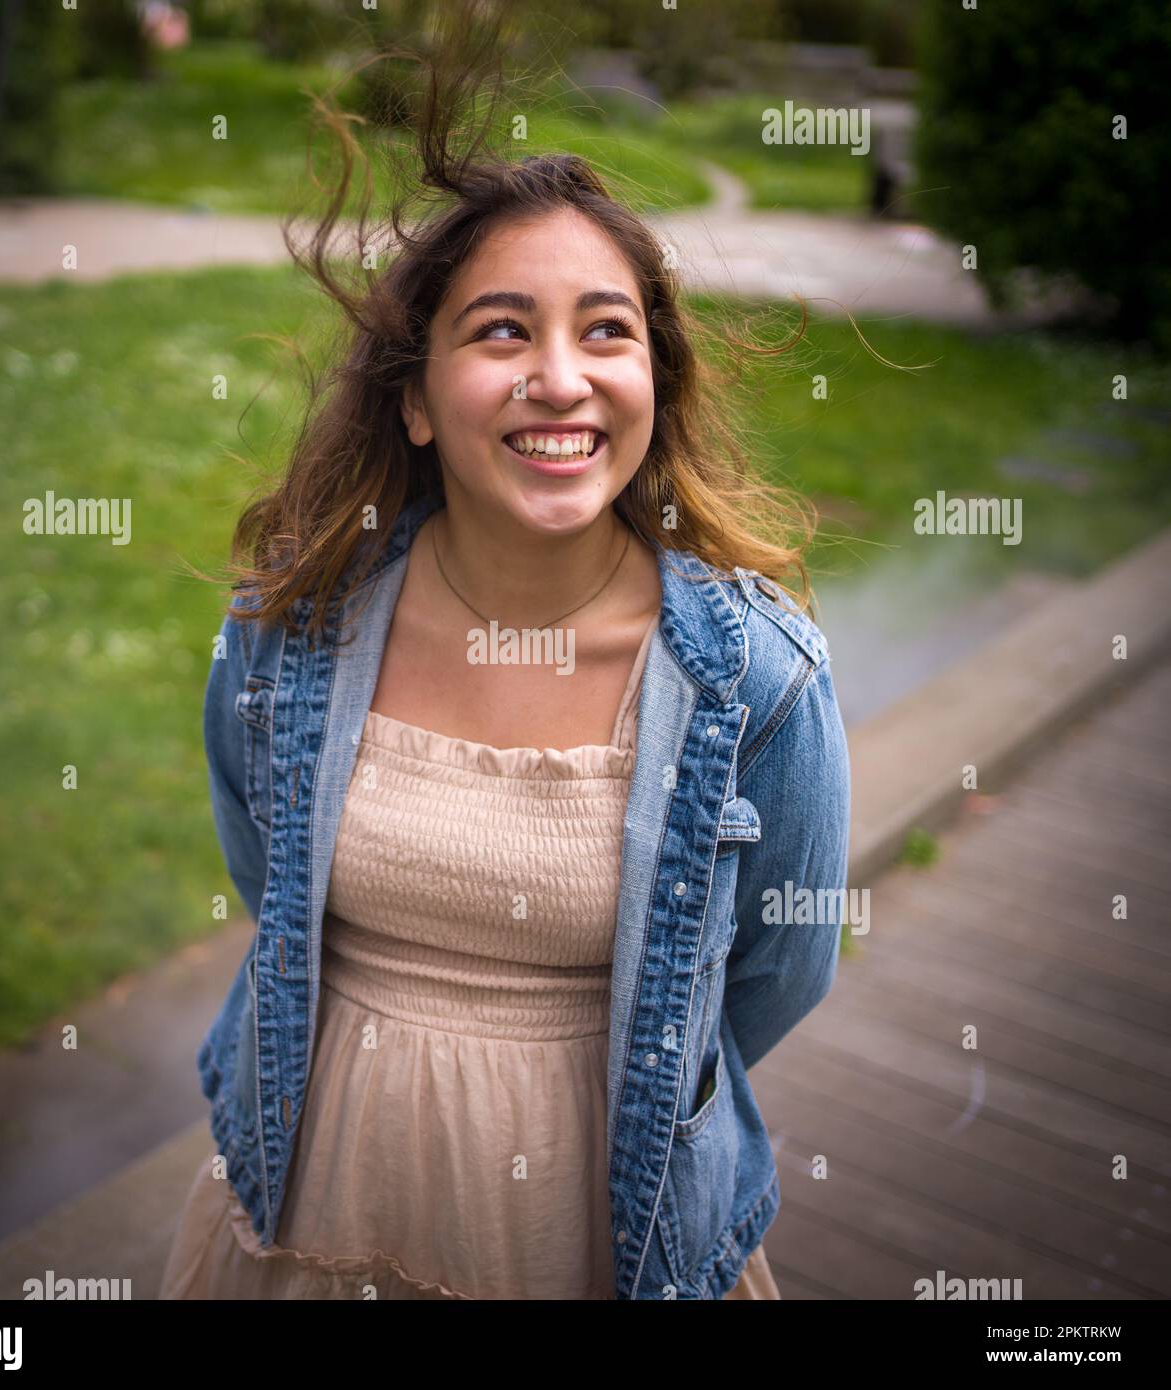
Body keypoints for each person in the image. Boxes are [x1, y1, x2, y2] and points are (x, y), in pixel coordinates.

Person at [160, 0, 849, 1301]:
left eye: (605, 329)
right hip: (309, 1210)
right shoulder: (283, 638)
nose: (561, 375)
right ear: (415, 399)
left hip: (611, 1244)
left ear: (658, 379)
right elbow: (272, 879)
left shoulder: (761, 682)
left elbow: (779, 968)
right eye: (500, 331)